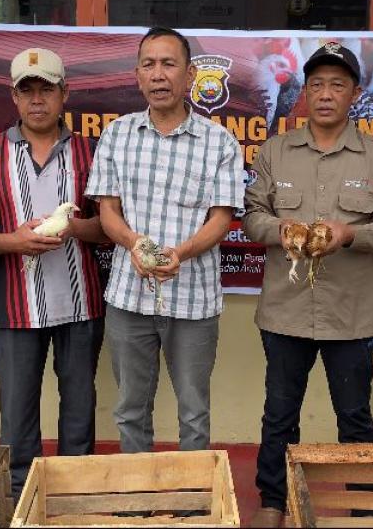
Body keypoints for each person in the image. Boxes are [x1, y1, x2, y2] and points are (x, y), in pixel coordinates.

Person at [243, 42, 373, 528]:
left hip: (352, 314)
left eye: (338, 85)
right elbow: (253, 219)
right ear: (304, 92)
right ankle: (273, 501)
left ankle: (364, 506)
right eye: (316, 84)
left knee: (354, 416)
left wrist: (349, 232)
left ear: (355, 93)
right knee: (279, 416)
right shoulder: (274, 151)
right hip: (285, 311)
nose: (326, 94)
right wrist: (286, 231)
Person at [85, 27, 244, 456]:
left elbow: (222, 218)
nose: (159, 75)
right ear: (137, 75)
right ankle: (140, 498)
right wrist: (135, 243)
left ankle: (192, 505)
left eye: (169, 64)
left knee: (194, 412)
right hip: (128, 297)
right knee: (130, 409)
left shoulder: (220, 143)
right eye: (149, 64)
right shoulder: (117, 135)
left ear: (189, 75)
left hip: (193, 300)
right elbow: (107, 211)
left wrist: (181, 253)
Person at [0, 48, 108, 500]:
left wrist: (72, 227)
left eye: (47, 89)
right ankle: (20, 495)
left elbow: (109, 227)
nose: (37, 99)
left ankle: (72, 491)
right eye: (28, 90)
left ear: (65, 93)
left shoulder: (93, 151)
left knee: (80, 407)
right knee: (17, 410)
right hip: (15, 305)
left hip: (81, 303)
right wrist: (15, 242)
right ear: (14, 96)